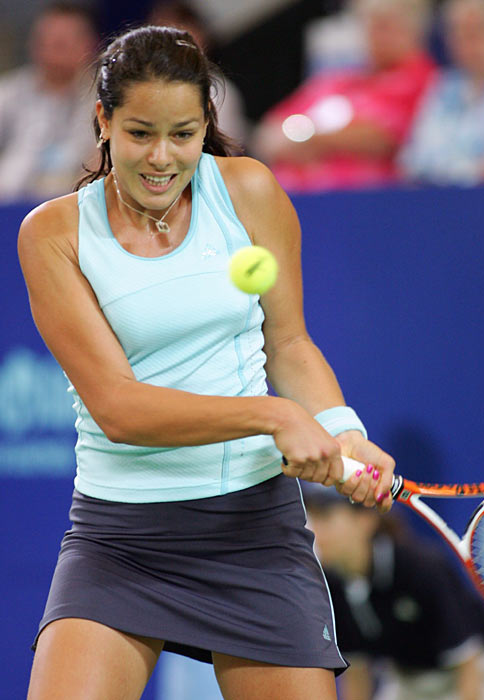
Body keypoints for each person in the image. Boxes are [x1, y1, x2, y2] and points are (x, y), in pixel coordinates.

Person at [18, 25, 396, 700]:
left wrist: (343, 430)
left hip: (253, 531)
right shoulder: (54, 233)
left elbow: (289, 344)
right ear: (102, 121)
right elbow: (119, 409)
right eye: (139, 133)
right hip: (120, 538)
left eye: (183, 134)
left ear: (206, 127)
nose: (162, 157)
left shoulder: (248, 190)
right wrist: (273, 415)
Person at [302, 482, 484, 700]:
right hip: (410, 681)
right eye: (312, 518)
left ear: (364, 520)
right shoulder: (331, 584)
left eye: (326, 517)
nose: (315, 531)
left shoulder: (421, 568)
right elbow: (357, 674)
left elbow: (468, 665)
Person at [251, 0, 437, 192]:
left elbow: (381, 138)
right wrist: (311, 139)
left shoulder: (422, 79)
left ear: (414, 30)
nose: (374, 35)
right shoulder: (338, 81)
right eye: (368, 25)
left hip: (362, 199)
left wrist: (308, 139)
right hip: (292, 196)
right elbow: (267, 134)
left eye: (385, 26)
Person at [399, 0, 484, 184]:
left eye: (476, 33)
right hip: (443, 198)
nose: (466, 43)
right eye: (458, 35)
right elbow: (416, 159)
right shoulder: (445, 86)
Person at [0, 2, 98, 202]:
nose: (50, 53)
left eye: (60, 44)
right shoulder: (8, 93)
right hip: (7, 204)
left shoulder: (104, 101)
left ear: (87, 45)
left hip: (71, 209)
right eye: (43, 43)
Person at [147, 0, 249, 153]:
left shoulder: (218, 91)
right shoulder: (140, 88)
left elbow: (224, 152)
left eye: (181, 35)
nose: (172, 46)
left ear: (201, 36)